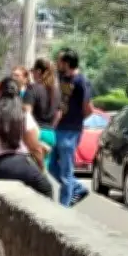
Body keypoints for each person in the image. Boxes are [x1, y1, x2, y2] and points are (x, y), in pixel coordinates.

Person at [0, 77, 53, 198]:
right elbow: (35, 148)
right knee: (46, 188)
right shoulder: (23, 115)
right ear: (18, 94)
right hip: (16, 165)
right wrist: (41, 168)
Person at [51, 48, 93, 207]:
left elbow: (88, 109)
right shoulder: (60, 78)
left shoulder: (81, 81)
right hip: (57, 128)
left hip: (70, 131)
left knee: (66, 171)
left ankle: (64, 206)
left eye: (60, 61)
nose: (57, 63)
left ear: (67, 63)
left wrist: (76, 120)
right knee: (51, 165)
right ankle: (77, 188)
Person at [25, 57, 60, 168]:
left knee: (32, 171)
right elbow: (59, 114)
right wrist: (51, 127)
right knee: (44, 169)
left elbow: (27, 114)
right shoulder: (57, 91)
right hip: (50, 134)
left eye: (33, 71)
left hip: (35, 134)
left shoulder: (32, 89)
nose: (32, 74)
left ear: (39, 71)